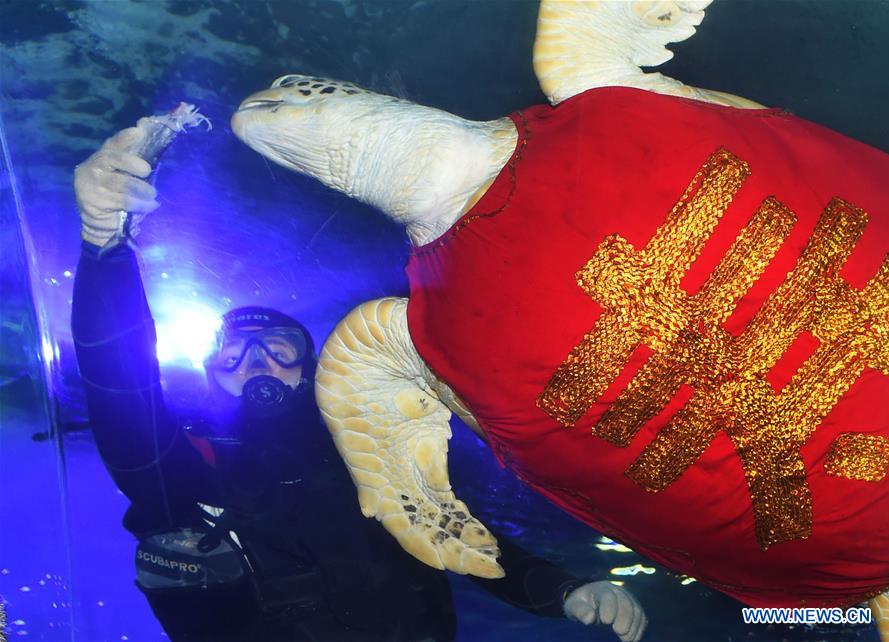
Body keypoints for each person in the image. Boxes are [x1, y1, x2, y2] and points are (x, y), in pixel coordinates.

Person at [70, 123, 647, 642]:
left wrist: (564, 591)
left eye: (279, 348)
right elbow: (117, 382)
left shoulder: (368, 450)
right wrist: (104, 245)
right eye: (234, 354)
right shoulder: (178, 463)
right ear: (208, 373)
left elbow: (458, 536)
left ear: (309, 366)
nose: (257, 363)